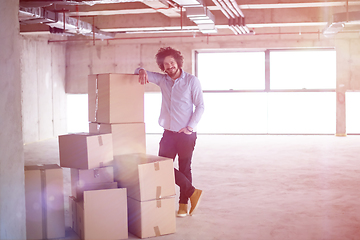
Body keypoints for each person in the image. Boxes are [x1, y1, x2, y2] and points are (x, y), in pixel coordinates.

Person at [135, 47, 205, 217]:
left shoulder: (191, 81)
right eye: (166, 64)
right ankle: (192, 192)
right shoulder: (162, 80)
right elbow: (138, 71)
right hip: (168, 133)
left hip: (186, 135)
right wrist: (141, 70)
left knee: (185, 168)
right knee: (161, 166)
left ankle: (183, 205)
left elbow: (200, 106)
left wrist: (190, 127)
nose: (169, 66)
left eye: (172, 62)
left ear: (178, 63)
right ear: (163, 66)